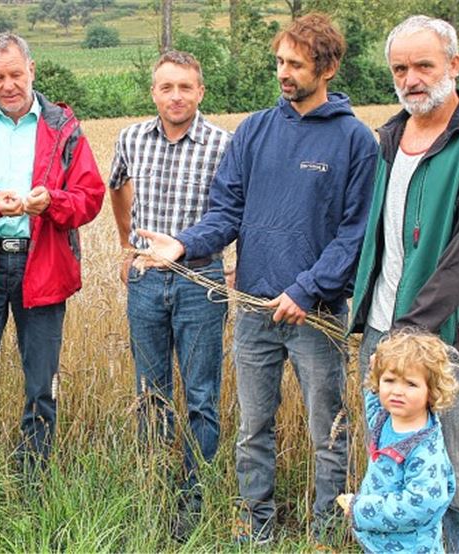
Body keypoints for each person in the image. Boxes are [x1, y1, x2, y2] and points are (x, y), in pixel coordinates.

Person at [138, 13, 377, 544]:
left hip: (317, 317)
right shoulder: (255, 130)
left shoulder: (356, 141)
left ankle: (325, 533)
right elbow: (226, 212)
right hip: (252, 310)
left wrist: (307, 290)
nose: (283, 73)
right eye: (279, 62)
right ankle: (256, 530)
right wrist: (183, 243)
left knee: (327, 433)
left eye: (295, 64)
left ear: (328, 67)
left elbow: (354, 234)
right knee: (252, 431)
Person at [349, 15, 459, 553]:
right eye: (400, 68)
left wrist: (411, 329)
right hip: (382, 336)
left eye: (424, 65)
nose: (412, 78)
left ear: (454, 65)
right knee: (392, 471)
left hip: (450, 342)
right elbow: (361, 234)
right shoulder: (387, 138)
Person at [0, 33, 104, 470]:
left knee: (41, 385)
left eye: (15, 73)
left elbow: (89, 196)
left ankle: (34, 475)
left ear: (32, 69)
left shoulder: (64, 127)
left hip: (44, 264)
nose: (8, 84)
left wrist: (52, 202)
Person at [107, 50, 232, 541]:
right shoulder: (131, 138)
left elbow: (234, 209)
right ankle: (154, 494)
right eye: (166, 87)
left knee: (201, 396)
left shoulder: (224, 143)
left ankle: (196, 501)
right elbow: (115, 186)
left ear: (200, 91)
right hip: (144, 280)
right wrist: (125, 243)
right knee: (150, 393)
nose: (176, 96)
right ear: (153, 92)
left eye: (185, 87)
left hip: (200, 281)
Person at [336, 330, 459, 553]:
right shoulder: (385, 419)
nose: (397, 392)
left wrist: (360, 509)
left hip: (411, 548)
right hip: (380, 543)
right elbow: (373, 399)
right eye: (390, 380)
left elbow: (419, 505)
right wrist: (375, 368)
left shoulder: (425, 451)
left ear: (432, 391)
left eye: (411, 384)